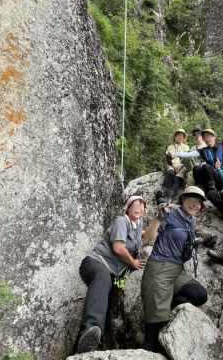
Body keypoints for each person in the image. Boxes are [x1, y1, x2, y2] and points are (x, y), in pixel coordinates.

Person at [141, 186, 208, 353]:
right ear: (183, 199)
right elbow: (147, 239)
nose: (195, 204)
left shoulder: (191, 221)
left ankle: (167, 303)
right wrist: (158, 218)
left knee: (199, 295)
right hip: (159, 267)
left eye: (199, 202)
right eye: (192, 200)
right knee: (154, 332)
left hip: (177, 270)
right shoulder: (169, 213)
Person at [76, 196, 147, 353]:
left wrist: (159, 221)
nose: (139, 207)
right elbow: (118, 248)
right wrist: (132, 262)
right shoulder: (121, 221)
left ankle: (95, 345)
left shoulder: (137, 224)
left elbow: (146, 236)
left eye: (142, 206)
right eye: (136, 204)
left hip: (112, 272)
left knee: (109, 304)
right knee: (103, 279)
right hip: (95, 263)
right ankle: (90, 328)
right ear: (128, 207)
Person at [156, 129, 190, 204]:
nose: (179, 137)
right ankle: (164, 193)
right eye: (178, 135)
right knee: (170, 173)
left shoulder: (186, 147)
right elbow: (167, 159)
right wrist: (172, 166)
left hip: (182, 166)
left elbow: (187, 160)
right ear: (175, 137)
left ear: (184, 138)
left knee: (178, 177)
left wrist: (180, 167)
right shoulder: (170, 147)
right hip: (172, 165)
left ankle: (170, 197)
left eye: (181, 136)